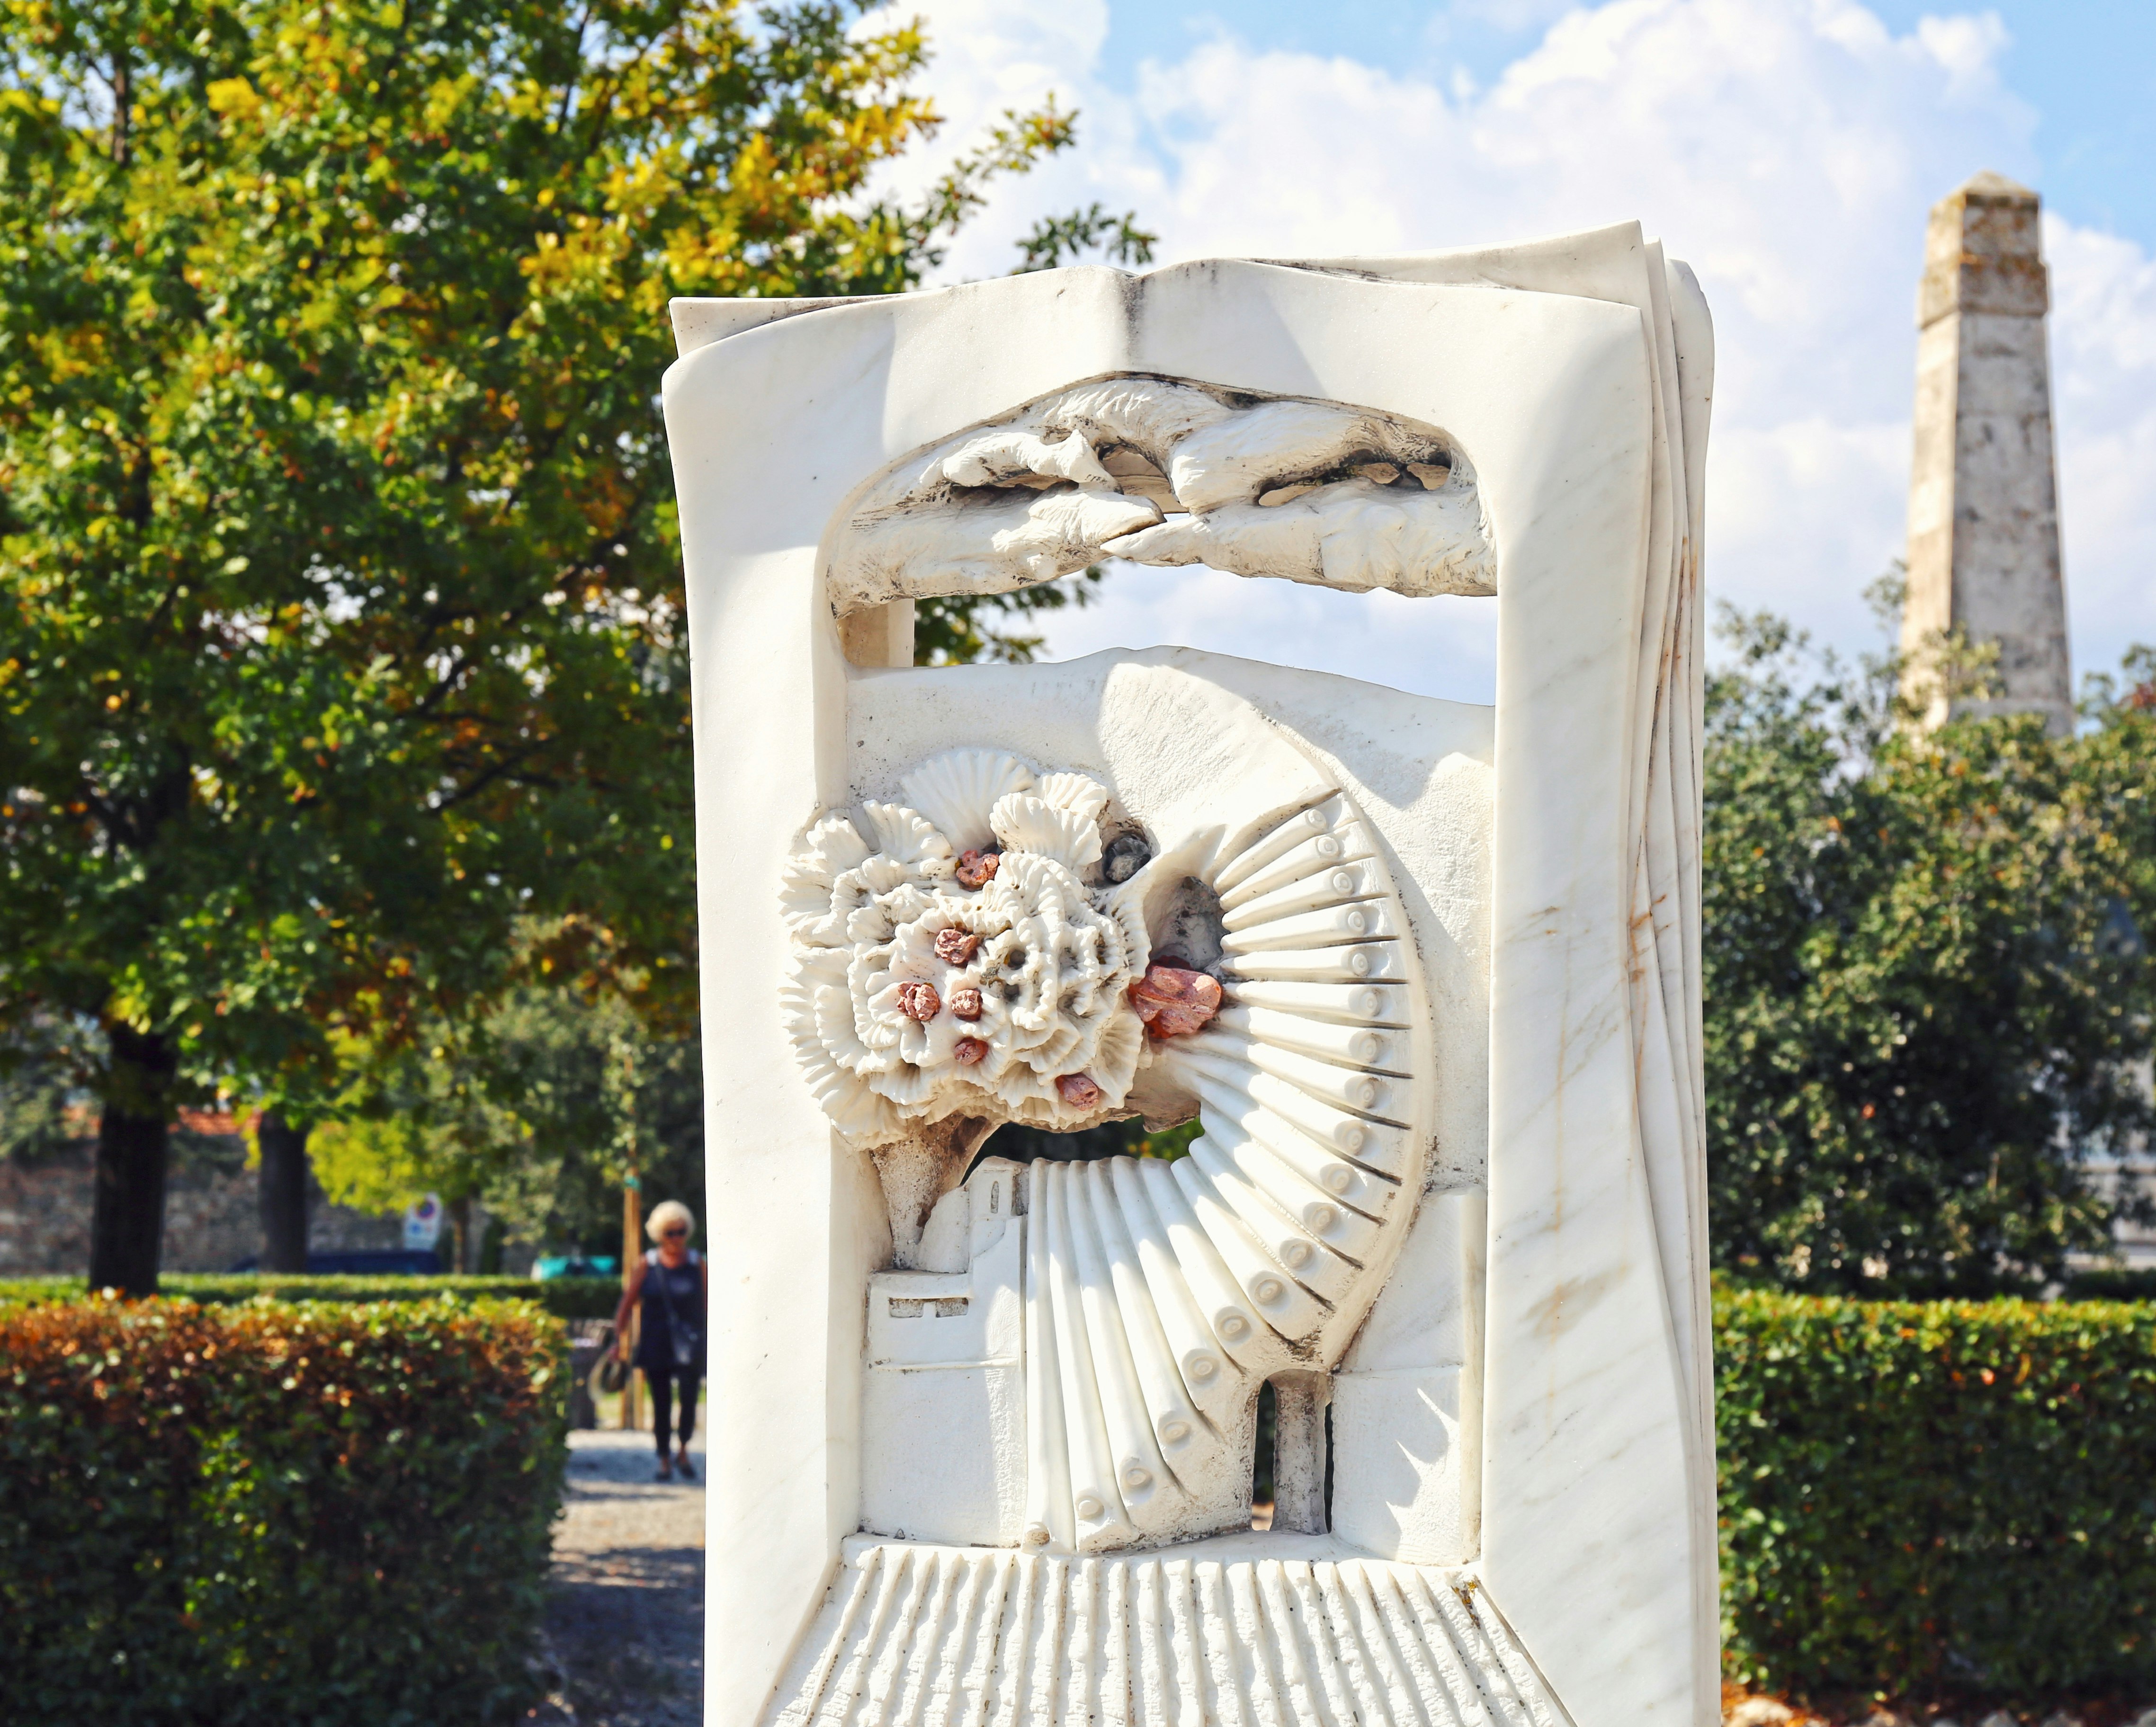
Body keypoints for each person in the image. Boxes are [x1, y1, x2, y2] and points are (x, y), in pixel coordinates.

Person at [610, 1199, 708, 1480]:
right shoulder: (646, 1264)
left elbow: (708, 1303)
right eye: (670, 1233)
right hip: (656, 1341)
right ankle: (664, 1458)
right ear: (659, 1234)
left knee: (690, 1399)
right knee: (661, 1403)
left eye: (681, 1232)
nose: (676, 1238)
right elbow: (627, 1303)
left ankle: (684, 1450)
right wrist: (619, 1339)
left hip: (689, 1342)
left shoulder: (697, 1263)